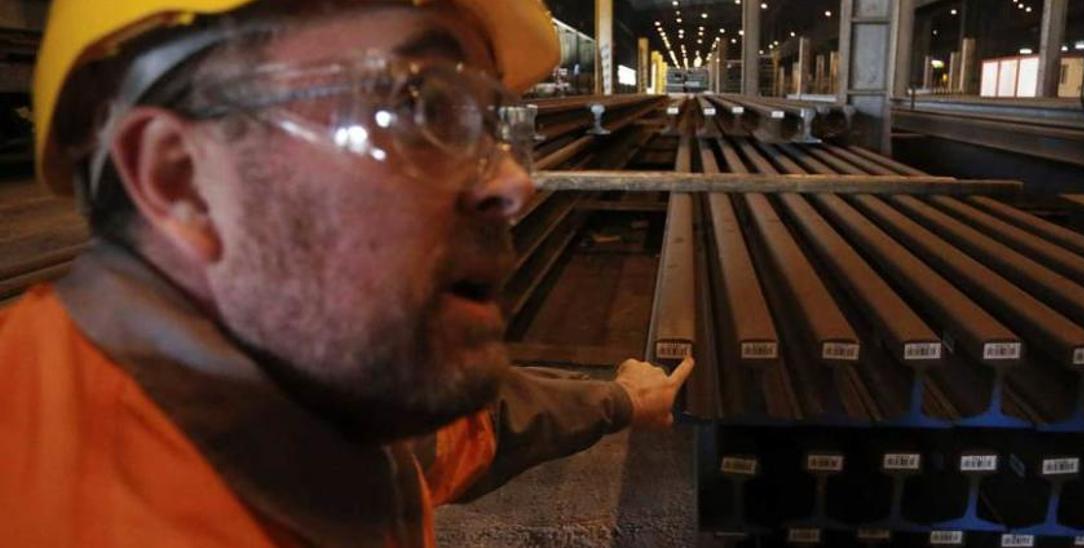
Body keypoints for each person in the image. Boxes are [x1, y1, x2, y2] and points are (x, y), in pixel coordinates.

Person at [0, 0, 694, 546]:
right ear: (181, 180)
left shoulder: (312, 392)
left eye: (489, 121)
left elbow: (465, 434)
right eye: (422, 108)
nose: (513, 183)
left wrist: (620, 400)